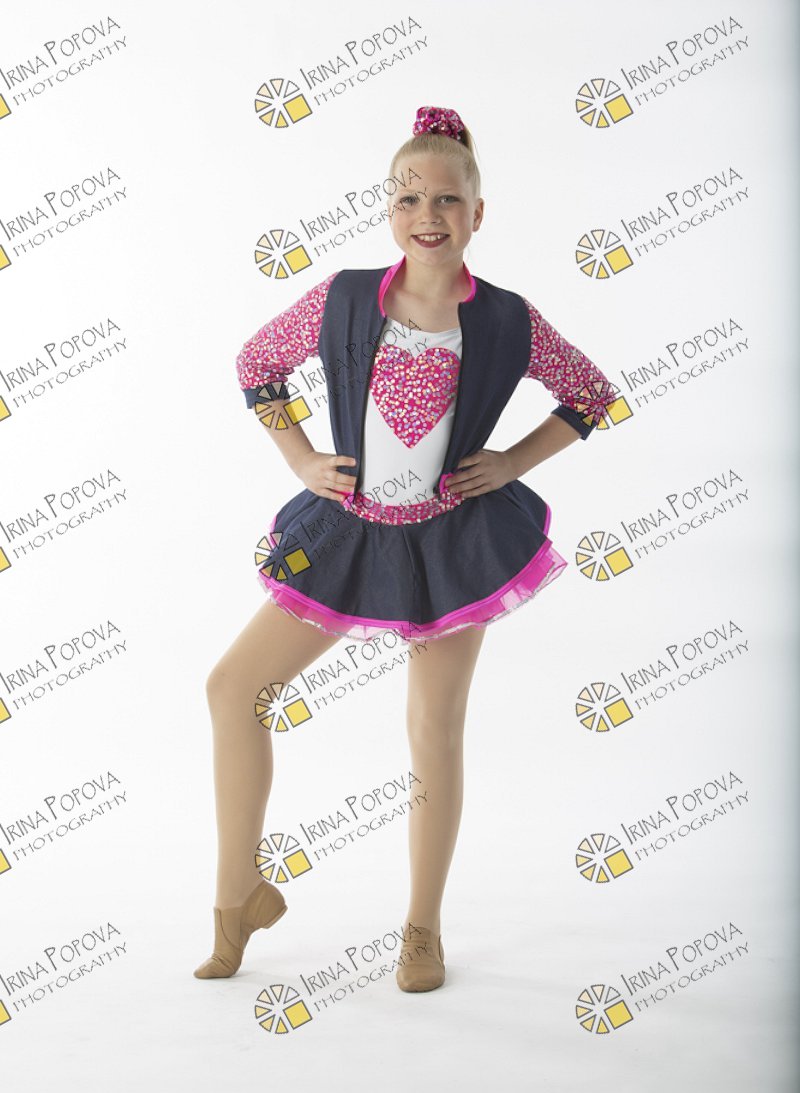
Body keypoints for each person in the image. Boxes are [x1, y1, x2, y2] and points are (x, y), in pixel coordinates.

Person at [194, 104, 617, 993]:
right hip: (347, 533)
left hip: (456, 543)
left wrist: (512, 462)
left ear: (477, 212)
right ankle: (238, 898)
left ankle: (422, 927)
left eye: (448, 199)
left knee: (433, 729)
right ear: (389, 210)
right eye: (409, 198)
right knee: (234, 686)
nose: (429, 215)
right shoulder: (344, 299)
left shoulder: (508, 319)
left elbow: (590, 393)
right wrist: (301, 456)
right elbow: (256, 365)